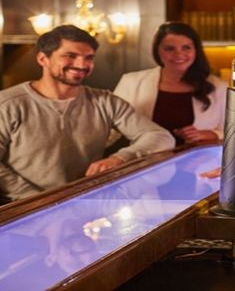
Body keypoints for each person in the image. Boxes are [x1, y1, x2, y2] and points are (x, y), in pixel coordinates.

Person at [0, 25, 174, 201]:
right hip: (22, 211)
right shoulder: (7, 104)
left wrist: (119, 158)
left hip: (84, 205)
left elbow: (160, 136)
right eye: (71, 56)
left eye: (89, 57)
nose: (82, 64)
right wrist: (34, 199)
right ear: (43, 59)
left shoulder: (105, 101)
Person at [113, 22, 228, 145]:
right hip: (148, 160)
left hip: (202, 162)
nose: (178, 54)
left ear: (196, 50)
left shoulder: (220, 87)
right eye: (169, 49)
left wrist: (211, 134)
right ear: (157, 51)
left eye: (186, 47)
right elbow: (110, 128)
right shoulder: (131, 82)